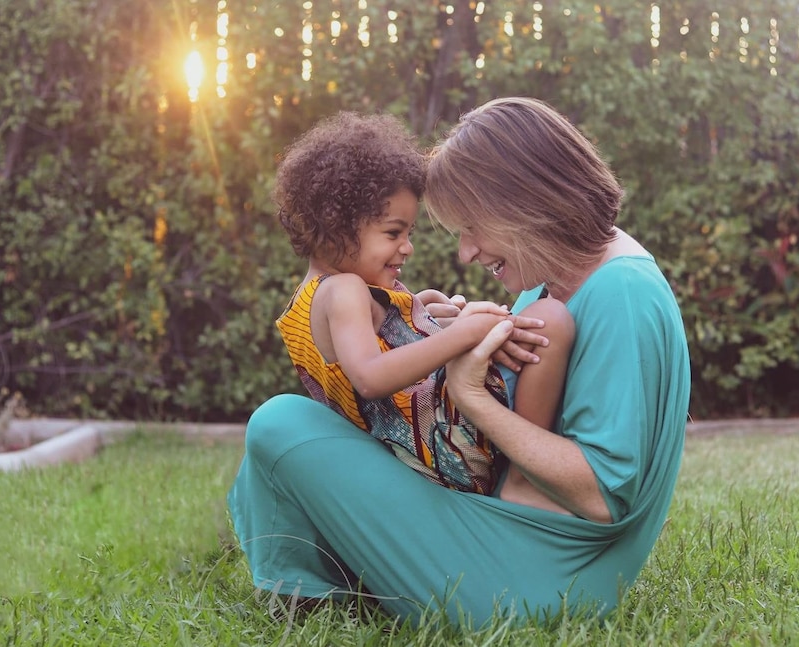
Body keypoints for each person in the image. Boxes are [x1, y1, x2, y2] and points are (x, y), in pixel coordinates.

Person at [227, 97, 691, 627]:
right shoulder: (559, 272)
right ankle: (314, 585)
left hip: (535, 575)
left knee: (277, 424)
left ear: (524, 203)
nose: (466, 252)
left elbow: (603, 496)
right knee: (302, 417)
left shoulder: (622, 291)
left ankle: (311, 584)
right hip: (503, 530)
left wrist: (469, 392)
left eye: (472, 226)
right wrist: (449, 331)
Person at [269, 111, 574, 495]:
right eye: (393, 233)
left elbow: (376, 355)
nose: (406, 248)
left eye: (408, 233)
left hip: (418, 459)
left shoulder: (311, 298)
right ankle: (524, 480)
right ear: (335, 227)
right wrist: (461, 335)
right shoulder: (344, 289)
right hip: (450, 449)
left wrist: (420, 316)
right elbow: (370, 377)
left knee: (496, 322)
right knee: (549, 319)